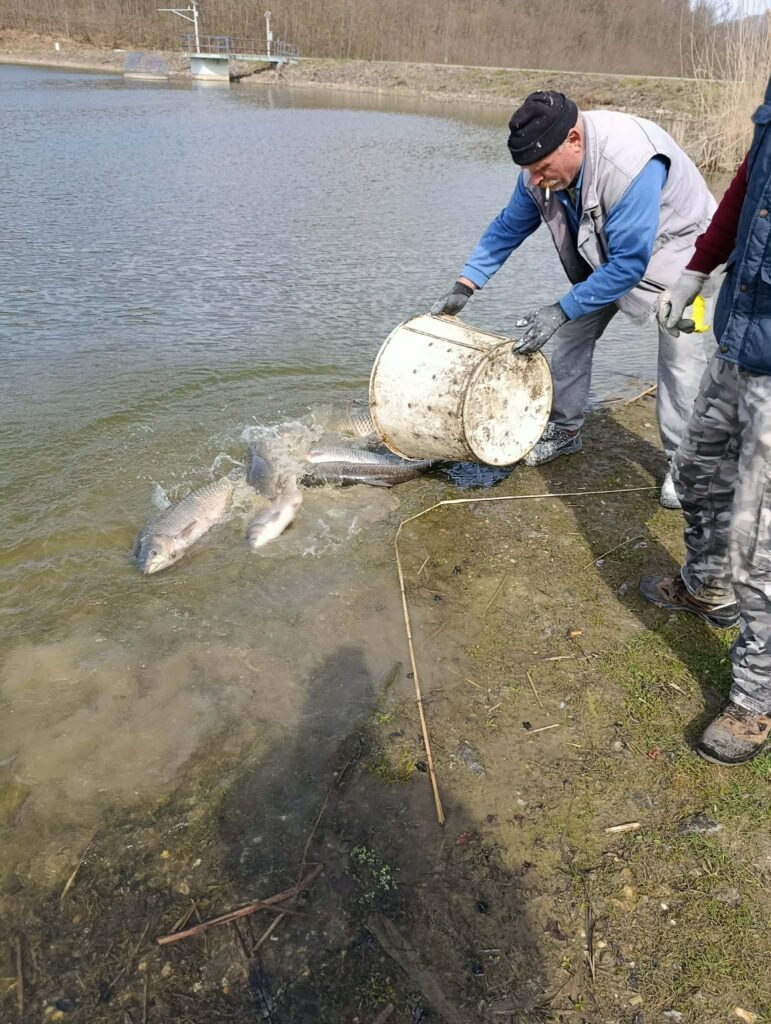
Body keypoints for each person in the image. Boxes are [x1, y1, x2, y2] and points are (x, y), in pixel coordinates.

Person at [432, 91, 716, 509]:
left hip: (685, 251)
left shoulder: (631, 164)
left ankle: (686, 466)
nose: (535, 179)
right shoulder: (542, 168)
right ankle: (565, 429)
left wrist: (560, 309)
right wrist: (466, 284)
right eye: (529, 170)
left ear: (574, 140)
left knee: (680, 355)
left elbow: (629, 264)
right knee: (571, 331)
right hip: (611, 252)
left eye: (541, 169)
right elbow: (508, 227)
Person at [639, 76, 771, 766]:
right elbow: (747, 188)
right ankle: (705, 587)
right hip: (739, 338)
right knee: (694, 473)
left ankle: (754, 698)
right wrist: (695, 269)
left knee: (761, 544)